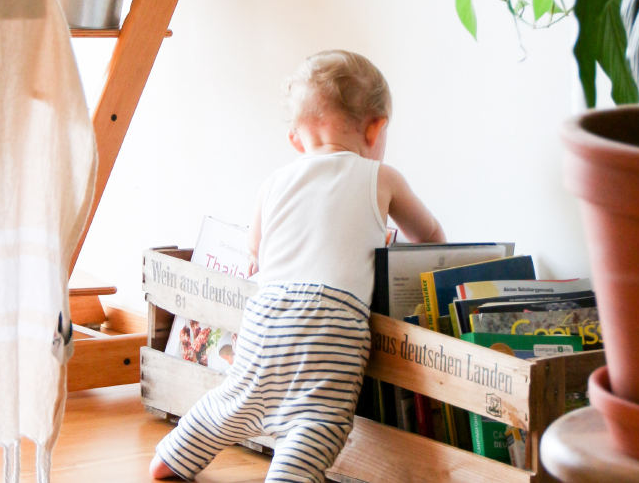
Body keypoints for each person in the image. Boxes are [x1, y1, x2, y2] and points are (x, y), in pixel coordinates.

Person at [149, 50, 445, 482]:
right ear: (376, 127)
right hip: (332, 326)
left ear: (295, 139)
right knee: (317, 423)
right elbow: (430, 239)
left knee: (237, 397)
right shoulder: (382, 177)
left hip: (267, 316)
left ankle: (172, 459)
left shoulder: (273, 183)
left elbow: (256, 254)